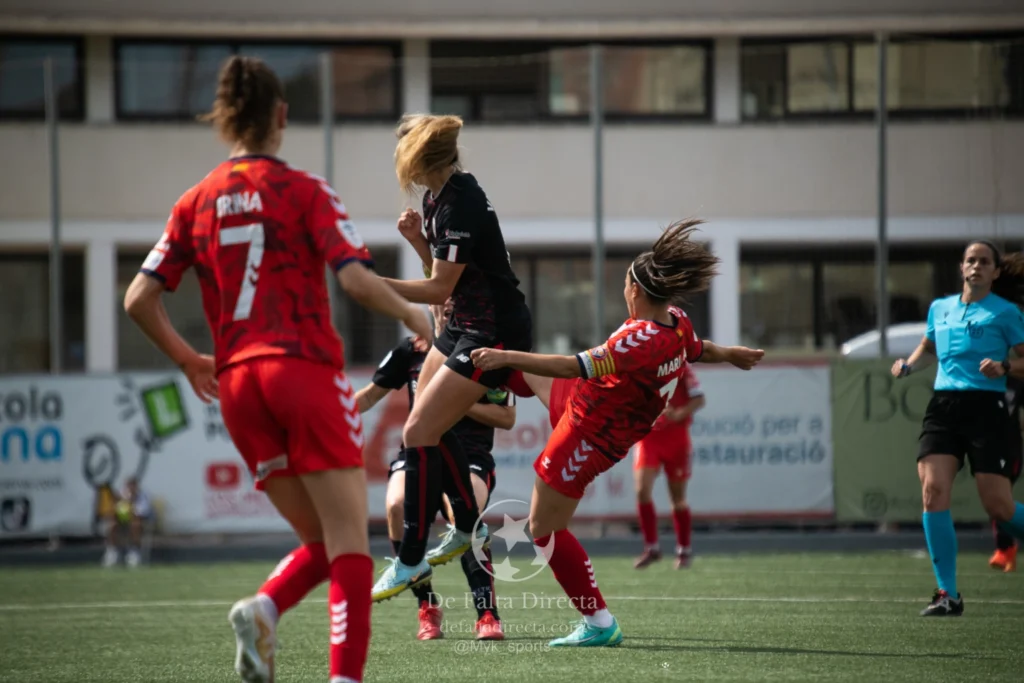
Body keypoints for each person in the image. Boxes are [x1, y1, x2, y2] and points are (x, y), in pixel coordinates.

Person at [123, 55, 432, 683]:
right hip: (302, 372)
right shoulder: (304, 190)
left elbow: (138, 298)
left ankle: (265, 608)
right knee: (350, 545)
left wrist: (188, 360)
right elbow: (354, 278)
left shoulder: (196, 201)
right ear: (282, 116)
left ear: (226, 119)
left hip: (238, 386)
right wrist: (413, 314)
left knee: (322, 541)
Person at [470, 220, 764, 647]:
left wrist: (504, 355)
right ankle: (476, 395)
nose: (624, 289)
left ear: (636, 292)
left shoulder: (640, 339)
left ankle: (600, 623)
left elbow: (573, 365)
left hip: (588, 435)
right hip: (586, 406)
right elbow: (699, 350)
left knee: (543, 529)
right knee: (520, 371)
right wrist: (731, 354)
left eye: (626, 282)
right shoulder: (677, 323)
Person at [371, 114, 533, 601]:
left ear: (421, 157)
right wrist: (419, 241)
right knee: (425, 424)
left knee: (418, 431)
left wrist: (374, 285)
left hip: (493, 331)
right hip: (462, 325)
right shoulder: (436, 197)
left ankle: (410, 559)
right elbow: (448, 274)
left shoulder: (460, 200)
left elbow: (440, 286)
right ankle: (467, 526)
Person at [355, 300, 512, 641]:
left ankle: (487, 613)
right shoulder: (411, 351)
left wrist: (454, 397)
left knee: (464, 516)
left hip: (470, 454)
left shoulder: (484, 351)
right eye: (440, 302)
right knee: (396, 506)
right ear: (430, 307)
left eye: (453, 301)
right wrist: (323, 412)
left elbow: (507, 417)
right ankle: (427, 607)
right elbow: (368, 397)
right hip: (419, 450)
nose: (446, 307)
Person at [891, 243, 1024, 616]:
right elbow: (927, 346)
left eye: (984, 261)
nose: (976, 266)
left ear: (996, 272)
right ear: (961, 268)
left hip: (987, 409)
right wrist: (908, 366)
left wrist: (1005, 367)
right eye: (971, 260)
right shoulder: (940, 308)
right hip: (944, 408)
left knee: (997, 505)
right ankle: (947, 594)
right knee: (932, 490)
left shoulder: (1006, 313)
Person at [632, 360, 705, 570]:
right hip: (649, 438)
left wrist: (679, 413)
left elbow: (699, 398)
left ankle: (684, 549)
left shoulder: (680, 366)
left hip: (676, 439)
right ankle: (652, 547)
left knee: (678, 499)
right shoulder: (639, 365)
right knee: (641, 490)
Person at [101, 477, 153, 569]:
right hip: (122, 521)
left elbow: (142, 513)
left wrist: (131, 504)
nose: (131, 488)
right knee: (112, 524)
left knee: (135, 524)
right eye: (129, 485)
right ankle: (113, 551)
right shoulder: (121, 495)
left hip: (137, 521)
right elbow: (113, 510)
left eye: (133, 486)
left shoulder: (143, 496)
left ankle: (134, 551)